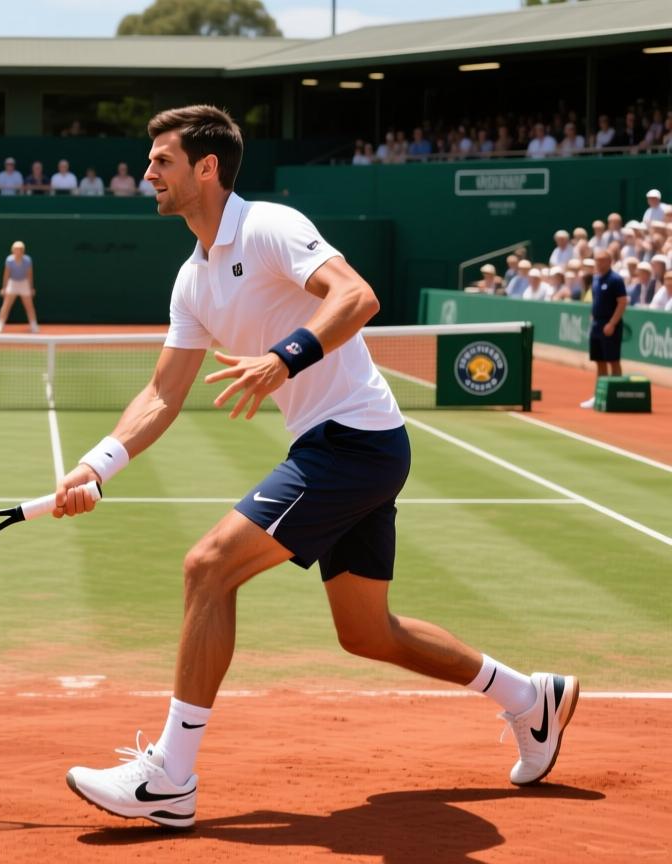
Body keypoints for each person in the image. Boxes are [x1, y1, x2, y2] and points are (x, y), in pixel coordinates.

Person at [56, 105, 578, 830]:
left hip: (353, 442)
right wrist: (97, 466)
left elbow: (357, 296)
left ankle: (171, 777)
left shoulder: (269, 226)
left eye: (163, 161)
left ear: (206, 169)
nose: (148, 173)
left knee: (208, 567)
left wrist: (282, 358)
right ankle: (530, 698)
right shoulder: (193, 278)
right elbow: (162, 393)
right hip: (344, 445)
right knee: (367, 633)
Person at [580, 249, 627, 409]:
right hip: (597, 325)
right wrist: (593, 317)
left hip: (610, 325)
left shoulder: (616, 280)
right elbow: (596, 300)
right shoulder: (595, 278)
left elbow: (622, 302)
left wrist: (612, 323)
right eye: (597, 261)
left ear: (609, 262)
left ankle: (617, 394)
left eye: (602, 260)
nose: (598, 263)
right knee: (599, 361)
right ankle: (600, 395)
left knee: (613, 360)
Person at [0, 241, 39, 334]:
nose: (18, 251)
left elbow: (30, 274)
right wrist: (4, 288)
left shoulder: (27, 260)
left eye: (20, 249)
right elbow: (6, 274)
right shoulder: (9, 260)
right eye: (16, 249)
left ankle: (34, 326)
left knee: (29, 306)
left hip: (24, 283)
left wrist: (31, 288)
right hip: (13, 283)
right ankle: (0, 325)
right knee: (6, 306)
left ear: (23, 250)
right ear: (13, 250)